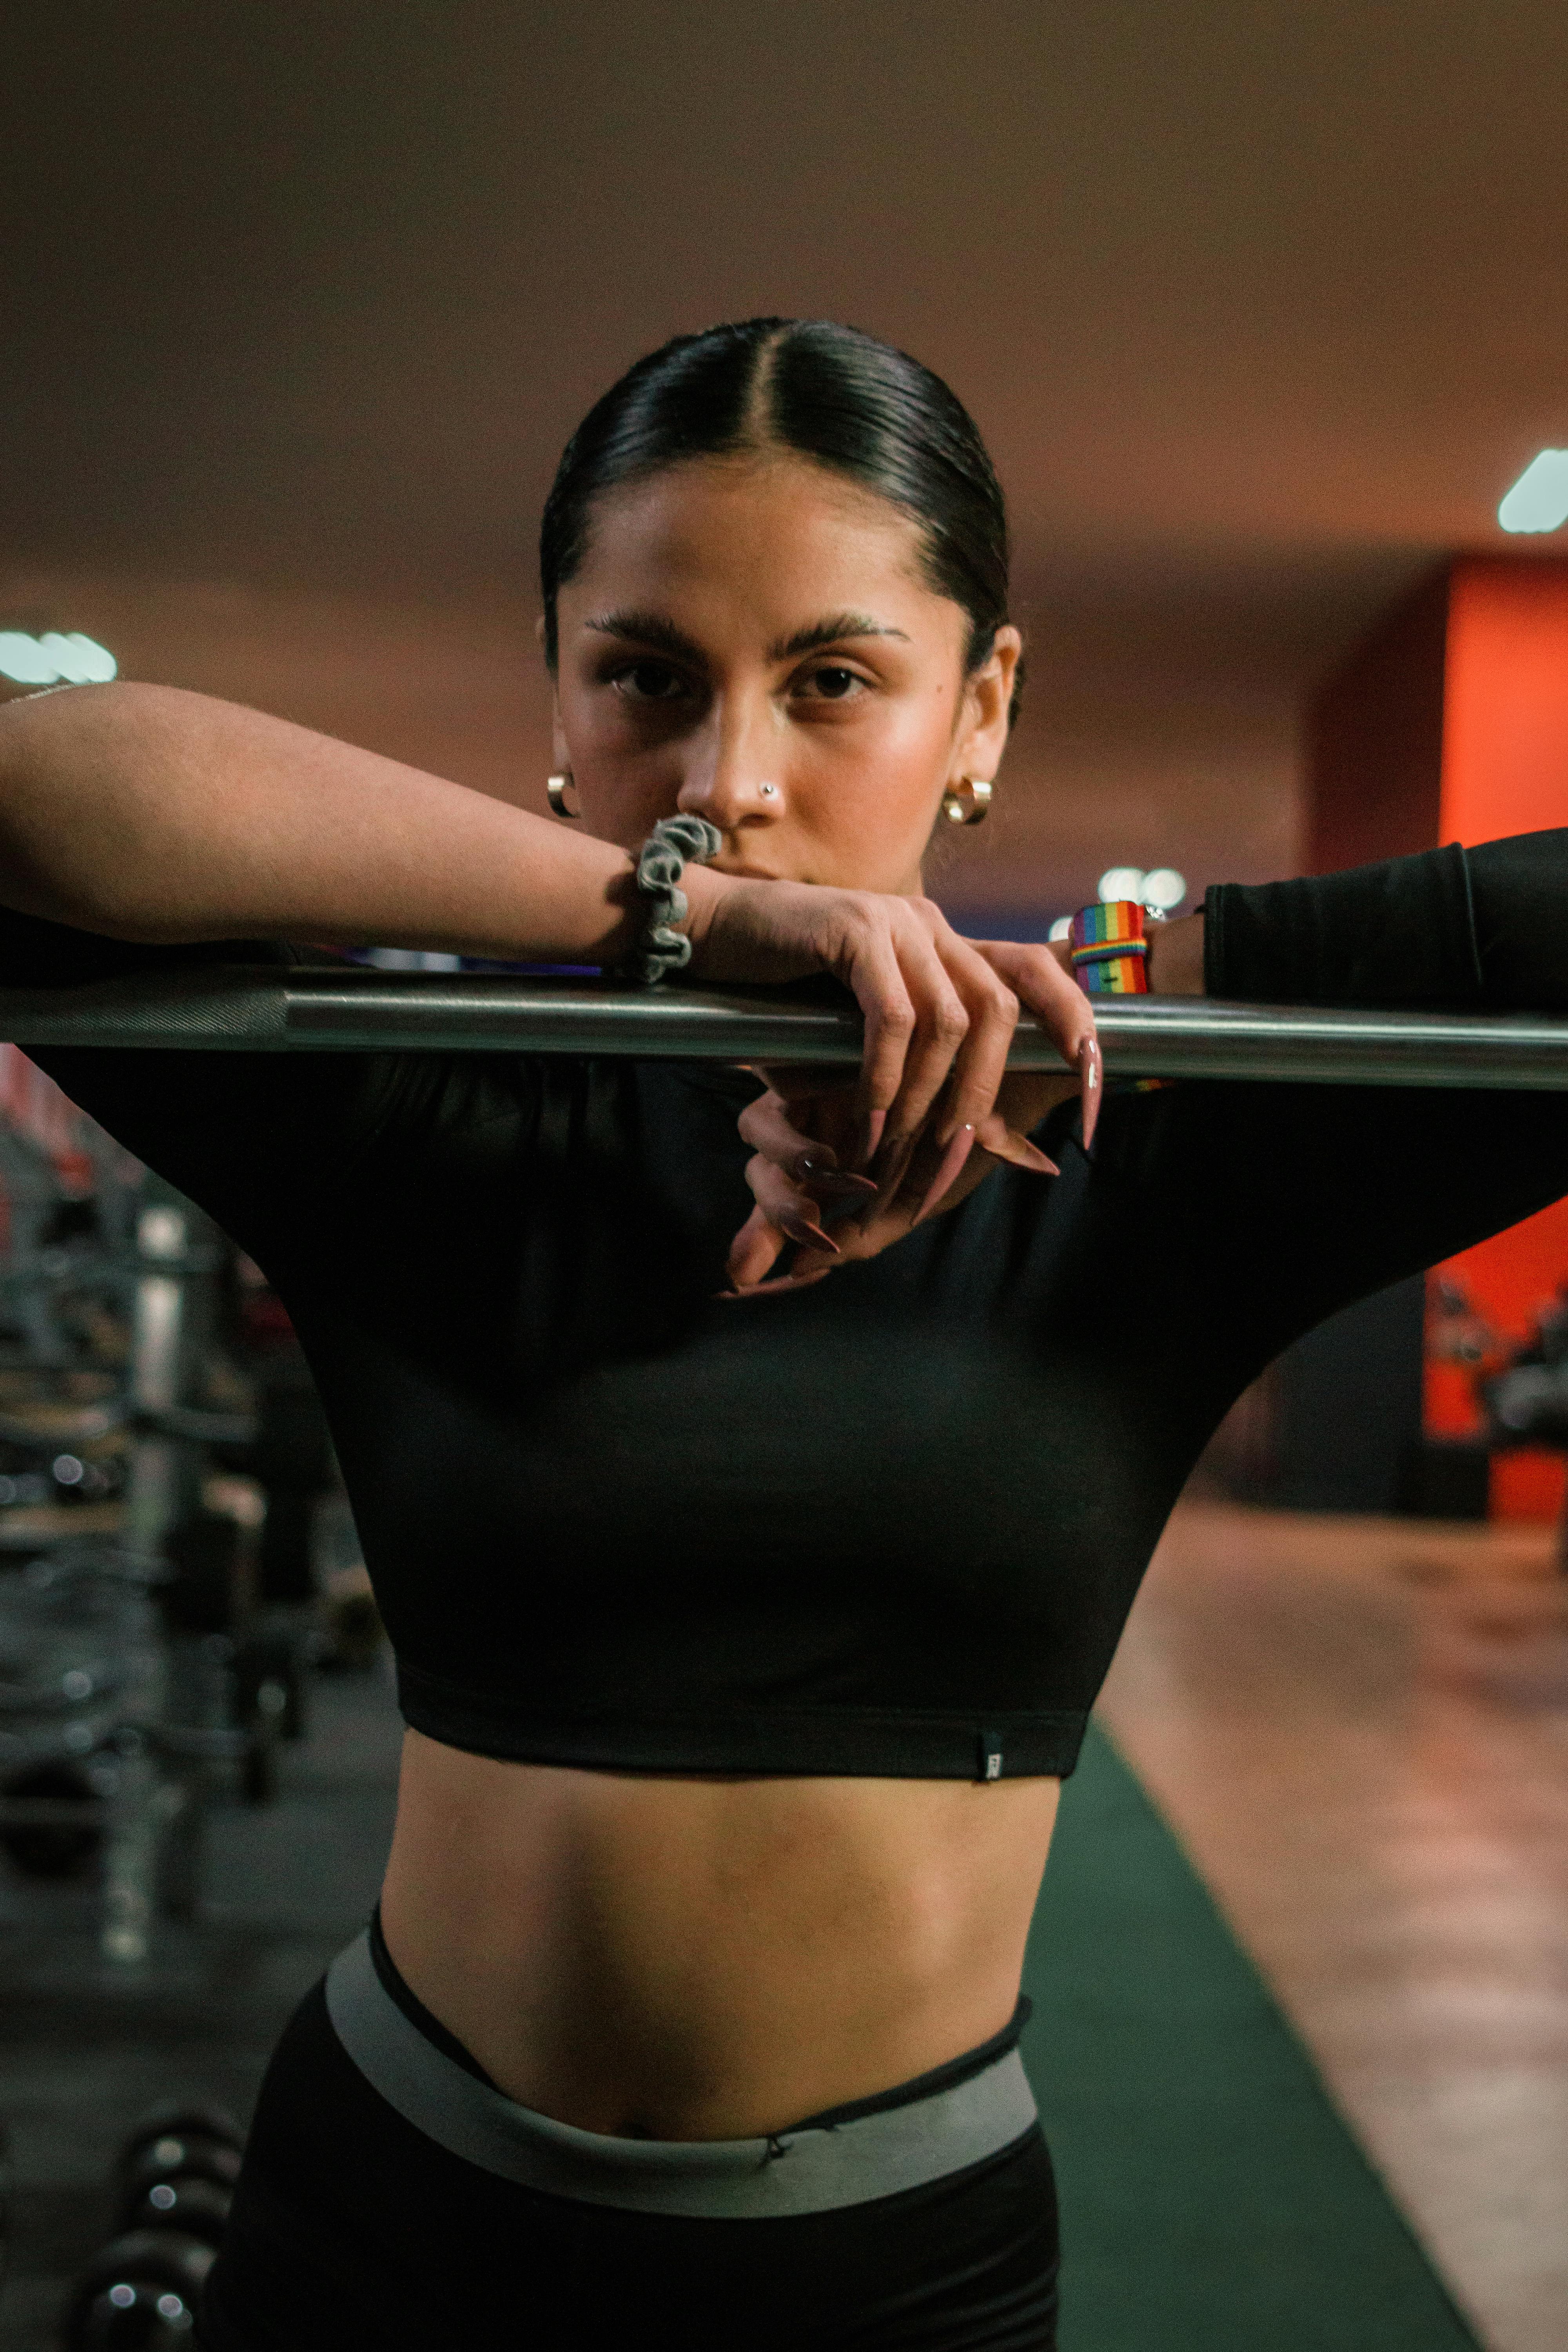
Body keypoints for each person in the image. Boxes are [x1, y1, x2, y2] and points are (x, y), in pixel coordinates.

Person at [0, 317, 1564, 2350]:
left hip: (889, 2281)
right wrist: (687, 919)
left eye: (836, 682)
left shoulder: (1147, 1151)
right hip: (387, 2229)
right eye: (645, 677)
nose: (731, 780)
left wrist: (1106, 978)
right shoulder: (430, 1111)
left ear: (981, 709)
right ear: (555, 690)